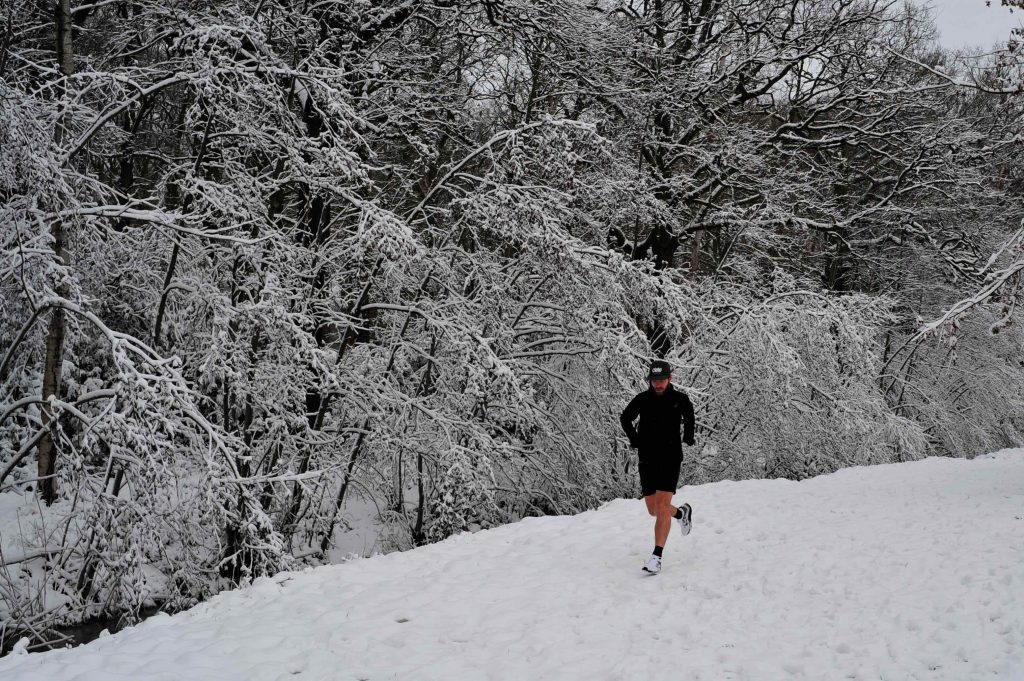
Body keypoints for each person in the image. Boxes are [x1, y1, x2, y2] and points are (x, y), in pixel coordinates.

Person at [620, 359, 695, 575]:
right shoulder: (642, 400)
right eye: (654, 380)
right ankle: (681, 514)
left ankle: (656, 557)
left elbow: (689, 415)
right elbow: (625, 418)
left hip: (670, 458)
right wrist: (634, 439)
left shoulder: (679, 399)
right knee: (654, 510)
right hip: (647, 459)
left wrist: (688, 435)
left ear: (669, 378)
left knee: (662, 507)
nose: (658, 384)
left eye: (662, 380)